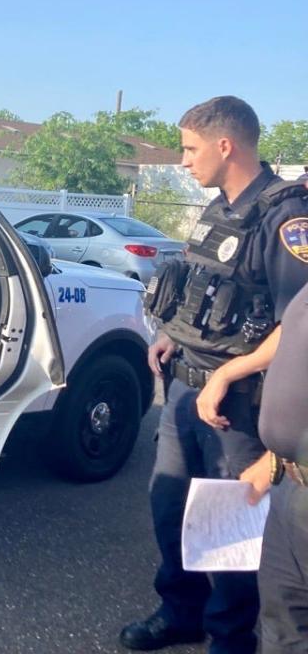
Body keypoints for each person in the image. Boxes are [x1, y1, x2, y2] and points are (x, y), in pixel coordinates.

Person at [122, 96, 308, 654]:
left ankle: (229, 638)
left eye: (189, 148)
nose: (183, 161)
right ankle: (181, 612)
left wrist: (233, 372)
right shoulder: (217, 207)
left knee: (229, 527)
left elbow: (299, 321)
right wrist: (168, 336)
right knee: (172, 507)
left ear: (225, 146)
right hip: (185, 386)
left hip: (238, 404)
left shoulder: (285, 216)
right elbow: (200, 290)